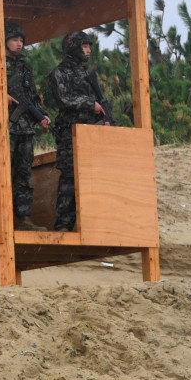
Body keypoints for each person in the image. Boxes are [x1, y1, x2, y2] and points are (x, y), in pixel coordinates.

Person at [0, 21, 51, 231]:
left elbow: (32, 98)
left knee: (23, 175)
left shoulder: (25, 68)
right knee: (1, 174)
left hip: (25, 130)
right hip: (4, 129)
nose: (19, 44)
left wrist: (42, 115)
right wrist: (0, 95)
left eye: (21, 40)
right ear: (5, 41)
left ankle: (24, 219)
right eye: (15, 40)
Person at [47, 30, 111, 232]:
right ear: (74, 47)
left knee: (92, 178)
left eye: (89, 46)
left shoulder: (87, 74)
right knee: (70, 179)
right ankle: (63, 226)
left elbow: (101, 102)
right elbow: (64, 99)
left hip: (91, 132)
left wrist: (105, 119)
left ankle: (92, 226)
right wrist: (90, 104)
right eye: (84, 46)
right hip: (70, 133)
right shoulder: (60, 73)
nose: (88, 50)